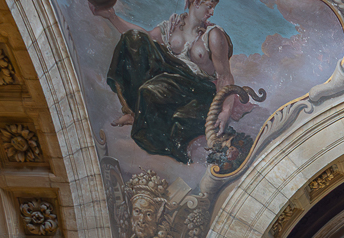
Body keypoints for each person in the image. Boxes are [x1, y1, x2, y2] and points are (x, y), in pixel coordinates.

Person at [91, 0, 250, 162]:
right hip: (172, 77)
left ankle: (142, 116)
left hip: (197, 89)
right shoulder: (173, 25)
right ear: (196, 2)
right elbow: (145, 39)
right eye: (209, 6)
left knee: (152, 90)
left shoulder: (213, 35)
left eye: (213, 7)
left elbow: (224, 76)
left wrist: (225, 110)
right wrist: (112, 17)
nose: (212, 12)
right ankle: (134, 112)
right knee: (132, 39)